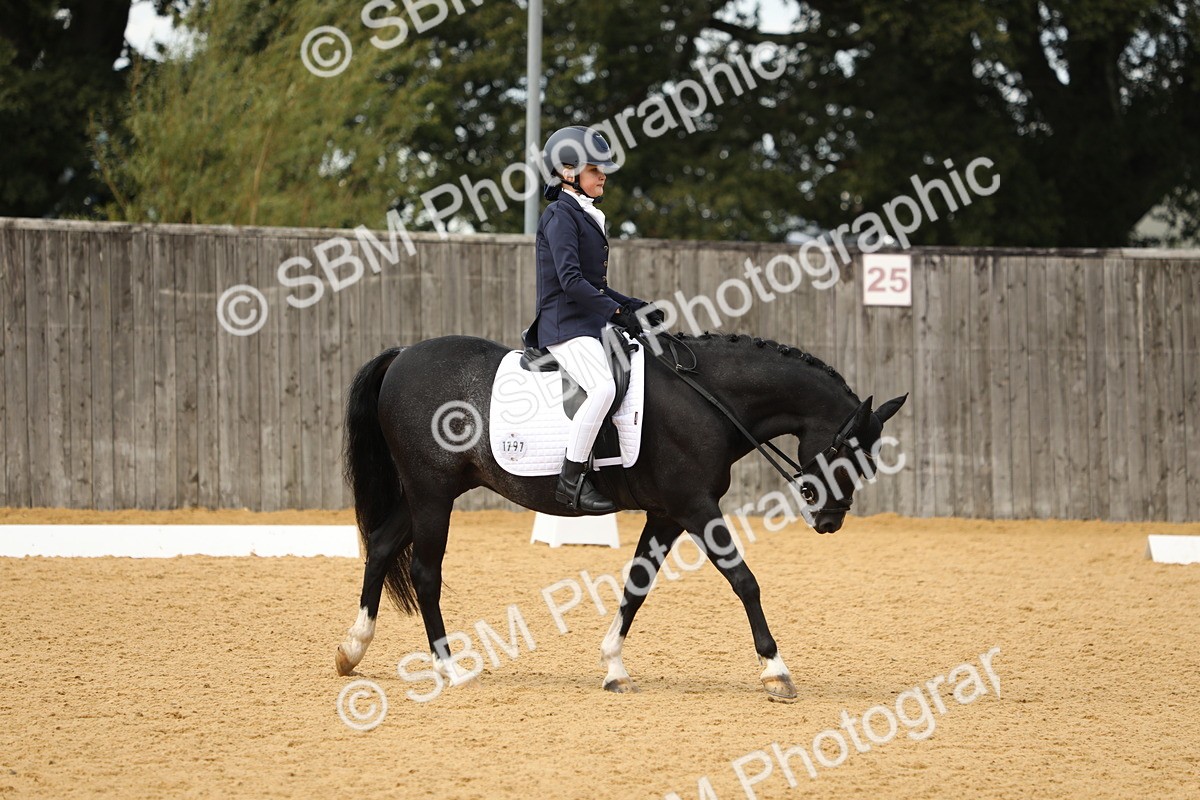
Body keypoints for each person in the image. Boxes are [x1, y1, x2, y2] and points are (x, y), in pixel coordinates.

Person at [524, 126, 658, 514]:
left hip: (588, 322)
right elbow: (570, 282)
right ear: (568, 172)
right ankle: (571, 481)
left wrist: (634, 306)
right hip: (564, 326)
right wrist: (616, 313)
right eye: (594, 168)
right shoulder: (560, 215)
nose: (602, 175)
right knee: (602, 390)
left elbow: (596, 284)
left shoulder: (585, 214)